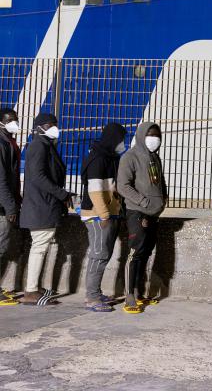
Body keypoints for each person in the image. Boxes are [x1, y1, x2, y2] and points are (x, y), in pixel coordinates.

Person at [20, 114, 70, 306]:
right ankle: (31, 291)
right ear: (39, 127)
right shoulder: (38, 146)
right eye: (50, 125)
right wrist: (62, 194)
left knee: (40, 247)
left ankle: (35, 287)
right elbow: (39, 177)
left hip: (44, 204)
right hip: (41, 205)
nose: (54, 128)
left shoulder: (45, 145)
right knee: (39, 248)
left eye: (55, 125)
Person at [117, 122, 167, 314]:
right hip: (137, 212)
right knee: (134, 253)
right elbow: (123, 186)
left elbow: (160, 182)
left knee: (146, 253)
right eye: (150, 135)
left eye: (157, 135)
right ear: (141, 136)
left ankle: (138, 292)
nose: (154, 139)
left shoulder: (155, 158)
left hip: (154, 214)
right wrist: (143, 202)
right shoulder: (130, 157)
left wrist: (163, 200)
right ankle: (129, 295)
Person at [79, 122, 127, 312]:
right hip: (97, 215)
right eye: (121, 139)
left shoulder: (110, 157)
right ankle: (91, 297)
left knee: (103, 255)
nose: (122, 143)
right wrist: (104, 214)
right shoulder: (98, 158)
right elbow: (95, 190)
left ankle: (96, 293)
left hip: (108, 213)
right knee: (98, 255)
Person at [0, 109, 22, 305]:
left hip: (5, 202)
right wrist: (10, 207)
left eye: (15, 119)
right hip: (2, 205)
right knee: (0, 247)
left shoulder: (9, 141)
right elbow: (1, 179)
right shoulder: (1, 144)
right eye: (9, 120)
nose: (14, 123)